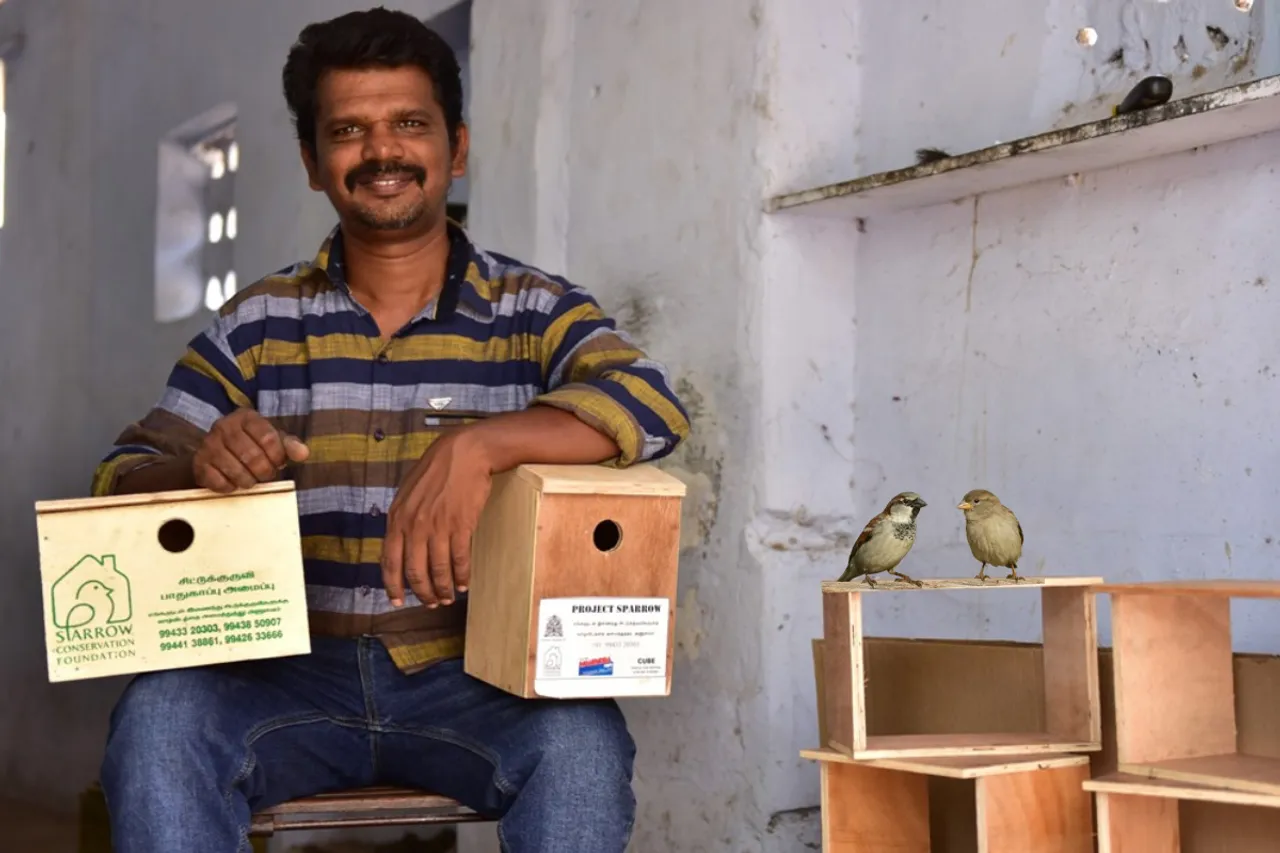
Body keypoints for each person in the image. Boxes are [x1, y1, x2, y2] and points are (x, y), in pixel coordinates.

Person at [92, 8, 691, 852]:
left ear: (458, 146)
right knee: (159, 718)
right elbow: (123, 470)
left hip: (476, 680)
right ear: (312, 162)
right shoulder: (258, 322)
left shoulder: (533, 310)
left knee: (581, 742)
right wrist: (201, 461)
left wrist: (482, 444)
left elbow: (650, 405)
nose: (383, 152)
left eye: (410, 123)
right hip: (279, 680)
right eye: (348, 130)